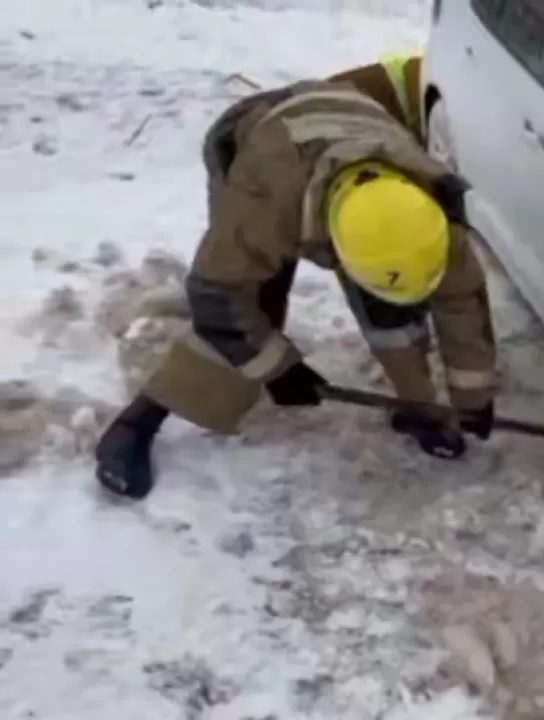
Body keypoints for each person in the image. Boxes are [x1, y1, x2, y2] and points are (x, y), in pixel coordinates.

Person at [93, 63, 498, 501]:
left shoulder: (427, 212)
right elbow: (219, 298)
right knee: (253, 311)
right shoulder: (261, 206)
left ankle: (421, 411)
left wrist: (472, 399)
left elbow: (463, 304)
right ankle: (139, 420)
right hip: (254, 147)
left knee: (391, 308)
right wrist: (278, 369)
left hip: (346, 142)